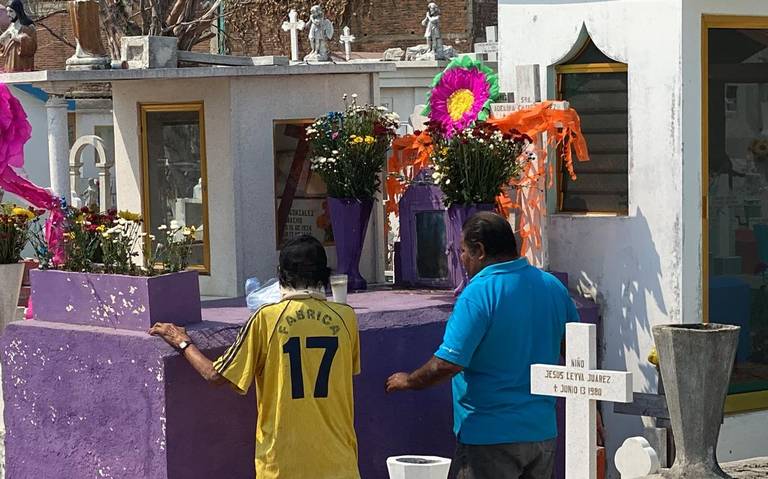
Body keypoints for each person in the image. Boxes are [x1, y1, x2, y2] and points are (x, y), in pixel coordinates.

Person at [149, 235, 361, 479]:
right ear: (324, 275)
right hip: (340, 465)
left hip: (281, 466)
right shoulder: (346, 318)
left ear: (281, 275)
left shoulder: (266, 319)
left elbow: (214, 375)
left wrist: (181, 341)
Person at [386, 212, 579, 479]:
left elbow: (447, 363)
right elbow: (576, 352)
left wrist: (409, 381)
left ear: (480, 251)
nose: (461, 258)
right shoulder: (553, 287)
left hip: (489, 436)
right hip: (542, 435)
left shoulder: (478, 293)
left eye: (463, 251)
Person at [0, 0, 36, 73]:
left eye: (11, 11)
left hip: (22, 64)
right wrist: (3, 38)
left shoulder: (28, 26)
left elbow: (32, 46)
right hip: (10, 62)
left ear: (18, 11)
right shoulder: (11, 26)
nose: (8, 14)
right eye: (7, 11)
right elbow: (5, 45)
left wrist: (18, 38)